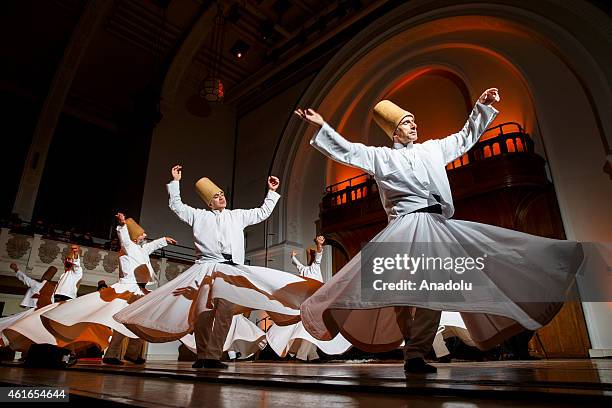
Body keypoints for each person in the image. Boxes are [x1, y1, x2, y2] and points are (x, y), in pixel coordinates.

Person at [294, 88, 583, 374]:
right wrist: (323, 127)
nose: (414, 125)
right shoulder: (380, 157)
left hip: (434, 226)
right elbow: (350, 151)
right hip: (402, 228)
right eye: (407, 122)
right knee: (401, 295)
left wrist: (481, 107)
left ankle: (416, 353)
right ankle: (412, 348)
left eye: (414, 121)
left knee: (433, 290)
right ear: (395, 131)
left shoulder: (431, 149)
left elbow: (463, 139)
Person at [114, 166, 321, 369]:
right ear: (209, 202)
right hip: (206, 267)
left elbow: (262, 213)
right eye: (216, 196)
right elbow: (176, 206)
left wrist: (272, 192)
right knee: (204, 313)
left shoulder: (237, 215)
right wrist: (176, 182)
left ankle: (213, 355)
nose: (221, 197)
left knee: (225, 312)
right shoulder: (198, 215)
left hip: (230, 269)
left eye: (222, 194)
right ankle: (203, 354)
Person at [41, 213, 176, 366]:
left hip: (140, 289)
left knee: (139, 322)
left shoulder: (142, 249)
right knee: (123, 322)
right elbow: (124, 237)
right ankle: (111, 354)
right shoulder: (128, 246)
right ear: (134, 236)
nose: (145, 235)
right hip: (128, 288)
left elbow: (152, 246)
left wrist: (164, 240)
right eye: (142, 234)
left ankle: (132, 353)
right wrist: (123, 225)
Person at [267, 236, 351, 360]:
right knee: (310, 330)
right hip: (311, 306)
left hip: (310, 306)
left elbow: (297, 261)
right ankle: (303, 355)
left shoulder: (304, 269)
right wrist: (319, 245)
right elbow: (318, 257)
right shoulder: (312, 268)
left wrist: (293, 256)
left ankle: (312, 355)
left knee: (309, 330)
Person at [0, 264, 58, 347]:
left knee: (17, 323)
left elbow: (25, 278)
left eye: (45, 274)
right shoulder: (53, 289)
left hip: (36, 312)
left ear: (45, 276)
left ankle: (3, 341)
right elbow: (51, 302)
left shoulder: (37, 284)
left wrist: (16, 269)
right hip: (45, 314)